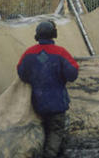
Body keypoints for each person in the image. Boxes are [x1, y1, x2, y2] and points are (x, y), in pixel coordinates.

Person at [17, 20, 79, 158]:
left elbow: (21, 73)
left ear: (37, 36)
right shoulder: (61, 52)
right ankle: (50, 154)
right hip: (57, 102)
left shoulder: (28, 53)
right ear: (54, 34)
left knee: (44, 129)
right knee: (56, 130)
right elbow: (72, 74)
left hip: (36, 102)